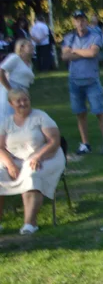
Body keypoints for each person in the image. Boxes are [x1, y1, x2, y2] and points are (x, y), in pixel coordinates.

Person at [0, 88, 65, 235]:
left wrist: (37, 156)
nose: (23, 103)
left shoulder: (41, 117)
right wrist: (10, 164)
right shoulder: (6, 123)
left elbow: (54, 141)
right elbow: (0, 148)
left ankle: (30, 223)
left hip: (46, 156)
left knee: (32, 175)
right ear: (11, 104)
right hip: (15, 159)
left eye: (25, 99)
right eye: (18, 101)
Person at [61, 11, 103, 156]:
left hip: (91, 80)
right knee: (80, 113)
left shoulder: (95, 35)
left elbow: (93, 53)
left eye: (83, 20)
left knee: (99, 112)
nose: (80, 23)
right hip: (74, 81)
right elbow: (65, 56)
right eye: (77, 20)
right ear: (74, 22)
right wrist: (83, 52)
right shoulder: (69, 37)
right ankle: (85, 144)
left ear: (86, 21)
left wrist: (75, 51)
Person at [0, 39, 35, 121]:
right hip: (12, 88)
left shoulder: (29, 63)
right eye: (30, 46)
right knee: (8, 116)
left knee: (20, 117)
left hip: (22, 91)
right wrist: (10, 90)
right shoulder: (15, 58)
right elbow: (1, 71)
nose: (32, 48)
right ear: (22, 47)